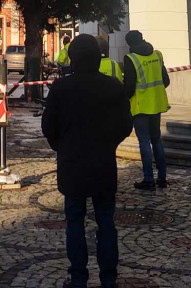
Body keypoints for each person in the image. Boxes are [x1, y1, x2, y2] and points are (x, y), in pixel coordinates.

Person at [42, 34, 133, 288]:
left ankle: (78, 277)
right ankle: (109, 279)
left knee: (74, 223)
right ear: (98, 57)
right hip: (103, 164)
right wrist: (109, 144)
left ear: (72, 59)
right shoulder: (113, 86)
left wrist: (62, 147)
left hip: (72, 166)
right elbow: (126, 125)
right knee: (106, 224)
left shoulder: (61, 88)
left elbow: (48, 126)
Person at [122, 29, 170, 191]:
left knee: (144, 142)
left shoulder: (131, 59)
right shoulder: (157, 55)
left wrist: (123, 99)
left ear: (129, 44)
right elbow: (166, 80)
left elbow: (129, 86)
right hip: (157, 104)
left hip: (141, 106)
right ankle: (162, 178)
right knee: (156, 140)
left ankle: (148, 179)